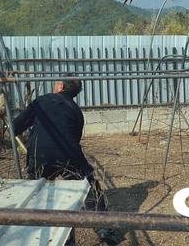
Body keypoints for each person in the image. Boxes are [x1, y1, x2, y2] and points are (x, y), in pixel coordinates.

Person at [12, 76, 123, 246]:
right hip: (69, 154)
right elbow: (75, 137)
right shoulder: (75, 109)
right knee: (89, 186)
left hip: (39, 155)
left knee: (38, 189)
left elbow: (17, 126)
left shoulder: (41, 101)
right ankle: (103, 227)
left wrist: (10, 127)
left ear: (61, 86)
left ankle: (38, 229)